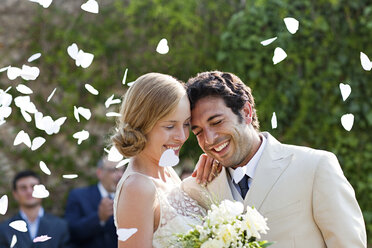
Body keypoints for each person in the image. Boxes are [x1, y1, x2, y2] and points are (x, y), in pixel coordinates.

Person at [182, 71, 367, 248]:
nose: (209, 139)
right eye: (198, 132)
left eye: (216, 122)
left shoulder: (315, 167)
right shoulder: (197, 189)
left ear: (246, 112)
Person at [112, 73, 216, 247]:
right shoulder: (138, 188)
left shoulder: (166, 171)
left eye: (186, 124)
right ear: (141, 123)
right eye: (170, 126)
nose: (182, 137)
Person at [64, 157, 124, 248]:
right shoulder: (79, 196)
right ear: (100, 173)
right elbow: (71, 232)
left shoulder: (128, 199)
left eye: (122, 170)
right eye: (114, 170)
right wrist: (99, 218)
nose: (120, 175)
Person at [0, 170, 70, 248]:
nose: (29, 191)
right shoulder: (4, 230)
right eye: (23, 188)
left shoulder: (60, 226)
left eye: (33, 186)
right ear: (15, 194)